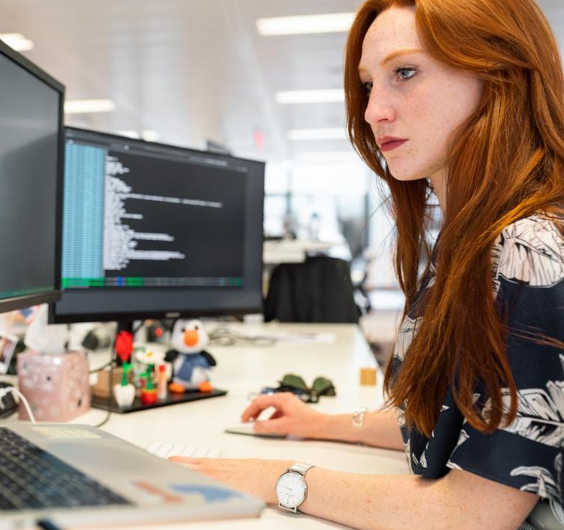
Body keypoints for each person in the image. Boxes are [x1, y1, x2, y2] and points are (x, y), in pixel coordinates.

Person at [171, 0, 564, 528]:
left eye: (405, 72)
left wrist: (273, 478)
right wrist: (322, 422)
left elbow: (475, 512)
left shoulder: (529, 248)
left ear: (499, 75)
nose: (372, 109)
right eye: (368, 84)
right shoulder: (470, 242)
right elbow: (463, 423)